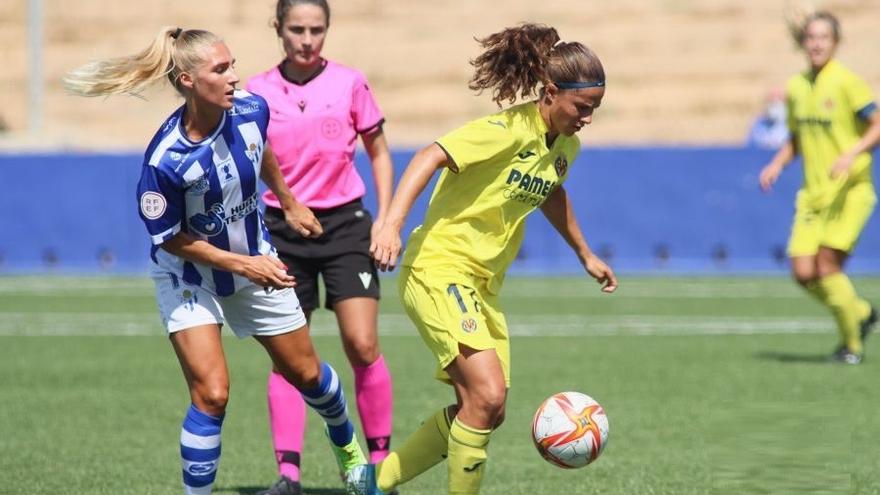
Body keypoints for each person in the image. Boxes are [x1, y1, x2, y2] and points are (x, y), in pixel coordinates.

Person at [63, 26, 367, 494]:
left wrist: (287, 200)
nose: (233, 78)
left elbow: (261, 149)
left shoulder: (251, 108)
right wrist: (244, 267)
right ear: (187, 80)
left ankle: (349, 451)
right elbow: (170, 239)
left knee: (308, 375)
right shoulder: (165, 160)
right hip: (189, 277)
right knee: (212, 393)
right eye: (220, 69)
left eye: (233, 65)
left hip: (253, 260)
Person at [346, 23, 618, 495]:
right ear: (551, 92)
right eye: (582, 107)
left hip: (482, 286)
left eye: (595, 109)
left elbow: (552, 191)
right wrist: (390, 223)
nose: (587, 118)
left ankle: (374, 482)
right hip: (438, 269)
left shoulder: (565, 146)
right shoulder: (506, 130)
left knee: (487, 409)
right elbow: (431, 155)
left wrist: (585, 253)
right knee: (486, 394)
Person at [245, 2, 395, 494]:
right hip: (282, 229)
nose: (307, 40)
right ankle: (288, 475)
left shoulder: (350, 82)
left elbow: (379, 151)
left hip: (346, 226)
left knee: (362, 344)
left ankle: (379, 468)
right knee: (291, 357)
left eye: (317, 30)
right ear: (278, 29)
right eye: (297, 30)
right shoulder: (256, 92)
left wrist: (386, 221)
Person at [759, 11, 880, 364]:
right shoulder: (796, 87)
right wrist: (777, 164)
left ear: (835, 43)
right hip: (813, 195)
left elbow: (876, 125)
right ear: (803, 42)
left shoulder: (846, 82)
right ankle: (859, 311)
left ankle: (851, 346)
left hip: (849, 192)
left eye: (823, 38)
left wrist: (852, 153)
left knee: (827, 267)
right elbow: (797, 137)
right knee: (803, 273)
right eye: (811, 37)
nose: (816, 44)